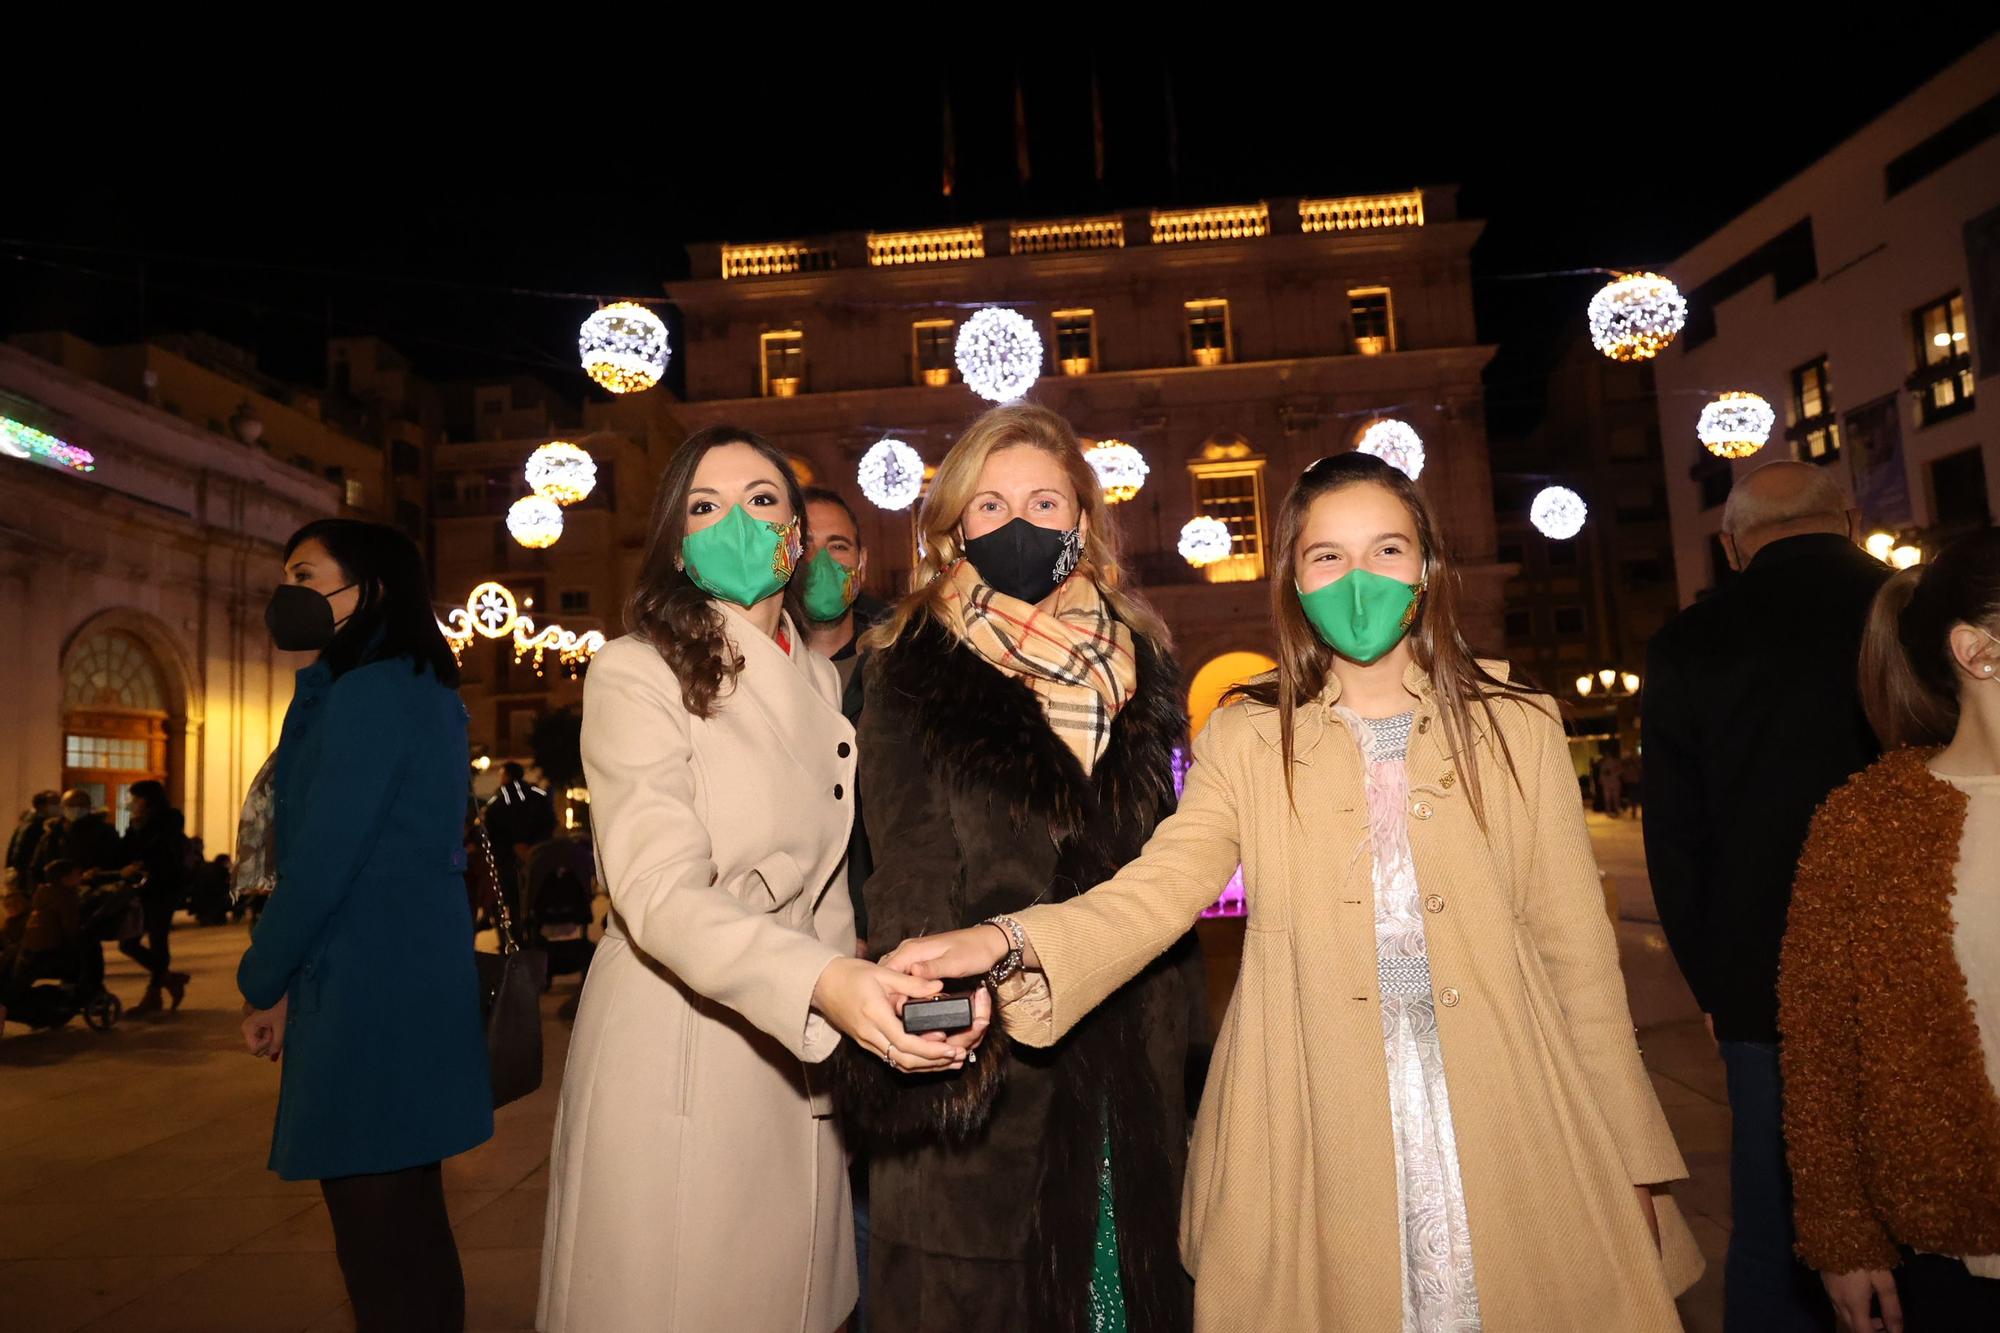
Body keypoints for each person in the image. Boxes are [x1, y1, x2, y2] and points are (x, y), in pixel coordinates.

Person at [884, 451, 1703, 1331]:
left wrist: (1635, 1159)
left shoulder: (1517, 721)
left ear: (1425, 571)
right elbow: (1159, 889)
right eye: (1328, 557)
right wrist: (1008, 941)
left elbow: (1579, 958)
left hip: (1515, 1107)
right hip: (1312, 1114)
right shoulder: (1245, 732)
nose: (1359, 579)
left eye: (1386, 550)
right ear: (1296, 582)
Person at [537, 425, 962, 1333]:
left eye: (761, 500)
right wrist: (824, 980)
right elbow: (655, 889)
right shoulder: (636, 668)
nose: (736, 520)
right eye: (705, 506)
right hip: (682, 1041)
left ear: (796, 539)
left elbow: (824, 875)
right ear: (678, 545)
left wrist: (874, 971)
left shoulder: (814, 677)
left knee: (796, 1299)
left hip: (801, 1042)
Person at [831, 403, 1201, 1333]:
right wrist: (942, 1028)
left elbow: (1170, 852)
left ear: (1083, 520)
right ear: (952, 527)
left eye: (1045, 501)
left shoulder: (1144, 659)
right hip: (988, 1057)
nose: (1021, 524)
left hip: (1132, 1042)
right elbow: (905, 863)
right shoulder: (906, 663)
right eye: (991, 507)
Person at [1643, 460, 1886, 1331]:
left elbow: (1675, 841)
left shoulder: (1690, 644)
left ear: (1729, 544)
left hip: (1766, 974)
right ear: (1850, 520)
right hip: (1927, 948)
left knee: (1775, 1210)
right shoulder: (1912, 613)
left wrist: (1716, 984)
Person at [236, 517, 492, 1332]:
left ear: (367, 589)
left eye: (307, 576)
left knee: (379, 1245)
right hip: (405, 979)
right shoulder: (407, 686)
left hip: (366, 993)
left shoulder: (373, 694)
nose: (290, 594)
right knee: (411, 1228)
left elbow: (321, 860)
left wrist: (260, 977)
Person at [1780, 527, 2000, 1332]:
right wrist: (1842, 1236)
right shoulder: (1868, 826)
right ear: (1979, 651)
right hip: (1949, 1264)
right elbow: (1820, 1050)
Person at [800, 482, 891, 1333]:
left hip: (882, 952)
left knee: (869, 1184)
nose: (824, 563)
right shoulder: (755, 675)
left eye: (841, 546)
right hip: (788, 963)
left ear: (862, 565)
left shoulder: (904, 670)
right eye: (809, 542)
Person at [118, 779, 190, 1013]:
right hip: (141, 888)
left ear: (148, 798)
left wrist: (142, 862)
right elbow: (128, 849)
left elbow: (162, 851)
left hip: (164, 887)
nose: (133, 803)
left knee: (158, 938)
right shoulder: (137, 822)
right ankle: (167, 978)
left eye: (136, 797)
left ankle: (154, 993)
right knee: (128, 942)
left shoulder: (169, 818)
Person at [483, 762, 555, 921]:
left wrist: (513, 846)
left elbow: (491, 830)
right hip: (536, 853)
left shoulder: (499, 799)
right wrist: (534, 844)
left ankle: (511, 936)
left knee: (507, 896)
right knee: (534, 893)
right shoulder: (537, 794)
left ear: (507, 775)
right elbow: (549, 822)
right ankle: (534, 929)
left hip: (508, 858)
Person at [32, 789, 122, 881]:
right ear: (63, 807)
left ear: (89, 806)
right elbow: (37, 866)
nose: (76, 809)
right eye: (71, 805)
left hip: (93, 888)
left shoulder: (105, 832)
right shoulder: (53, 832)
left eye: (81, 805)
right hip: (57, 889)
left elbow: (115, 862)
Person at [6, 790, 59, 881]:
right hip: (32, 875)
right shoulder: (37, 825)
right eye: (54, 803)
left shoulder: (26, 822)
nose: (58, 807)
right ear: (41, 806)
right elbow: (24, 852)